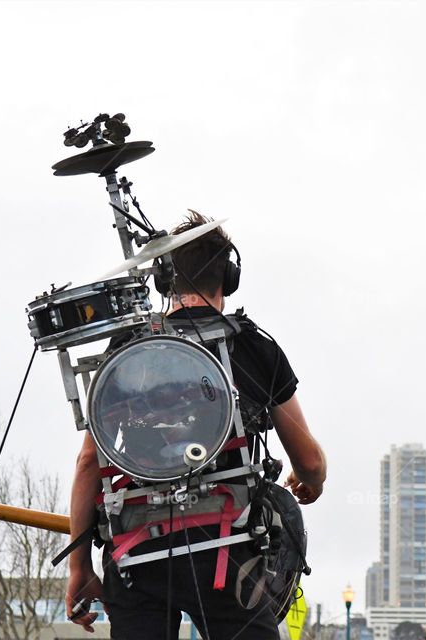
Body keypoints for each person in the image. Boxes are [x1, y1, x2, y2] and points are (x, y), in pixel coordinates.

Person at [64, 211, 327, 639]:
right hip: (225, 557)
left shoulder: (126, 351)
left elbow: (88, 463)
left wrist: (79, 566)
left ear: (165, 280)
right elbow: (310, 460)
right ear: (229, 276)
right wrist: (310, 479)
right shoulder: (252, 347)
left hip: (136, 555)